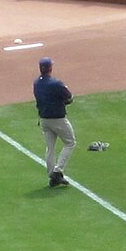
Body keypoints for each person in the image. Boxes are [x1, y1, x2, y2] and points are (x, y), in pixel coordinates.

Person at [33, 57, 75, 187]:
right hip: (58, 119)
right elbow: (69, 97)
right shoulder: (56, 83)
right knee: (70, 142)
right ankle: (58, 171)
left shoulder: (36, 83)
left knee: (50, 148)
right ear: (50, 68)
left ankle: (52, 176)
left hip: (44, 119)